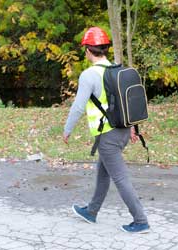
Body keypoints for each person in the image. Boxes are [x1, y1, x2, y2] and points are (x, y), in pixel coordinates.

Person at [63, 27, 149, 233]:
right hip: (121, 131)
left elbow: (78, 107)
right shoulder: (115, 70)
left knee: (120, 178)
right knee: (103, 173)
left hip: (107, 136)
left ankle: (140, 220)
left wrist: (67, 130)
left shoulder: (89, 75)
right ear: (105, 49)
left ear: (87, 50)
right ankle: (91, 212)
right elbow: (123, 103)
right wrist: (131, 129)